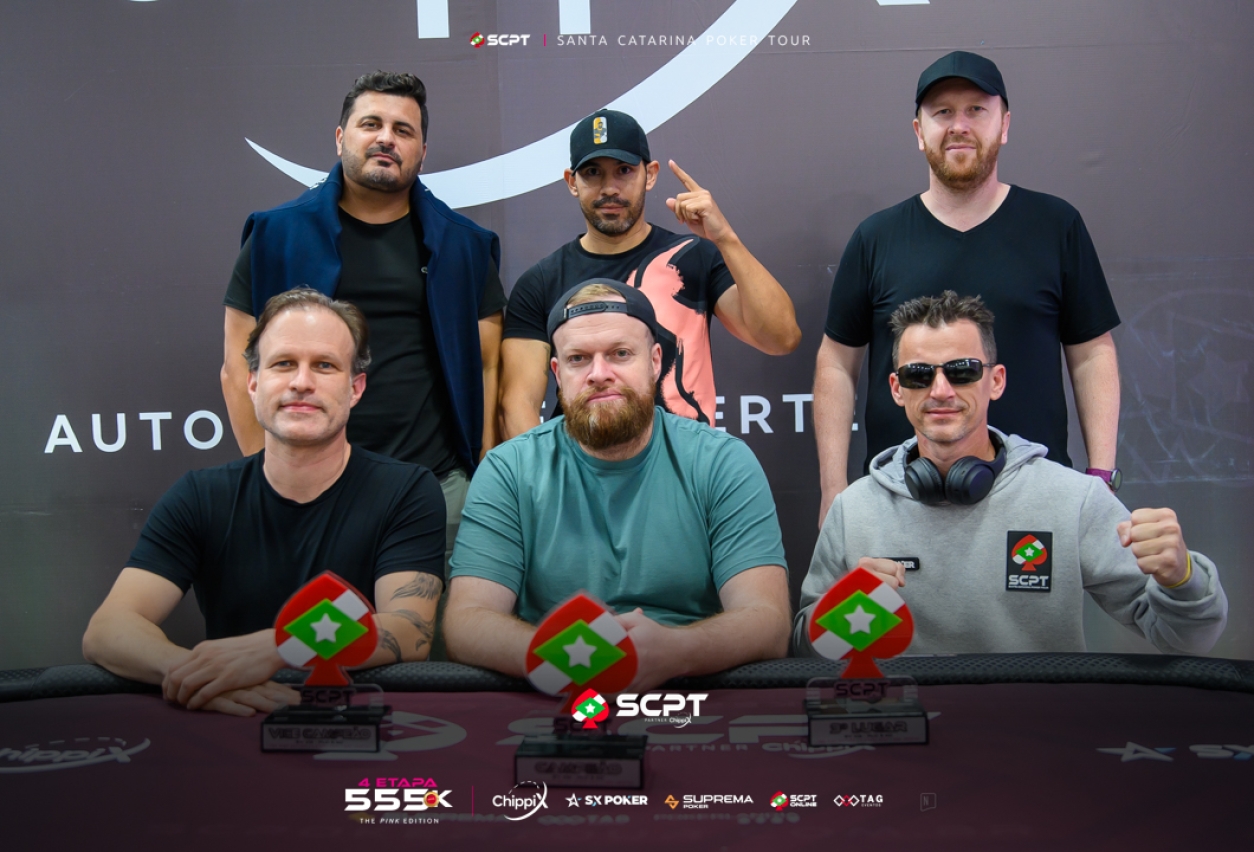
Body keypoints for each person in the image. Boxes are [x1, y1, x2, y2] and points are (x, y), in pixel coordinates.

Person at [796, 292, 1226, 656]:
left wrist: (1182, 578)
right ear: (896, 389)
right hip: (902, 724)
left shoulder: (1071, 500)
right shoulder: (854, 510)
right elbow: (805, 653)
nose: (940, 391)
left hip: (1037, 725)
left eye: (962, 371)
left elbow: (1187, 640)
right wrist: (847, 616)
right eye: (919, 375)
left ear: (996, 381)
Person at [85, 290, 447, 715]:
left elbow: (410, 629)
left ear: (355, 388)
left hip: (363, 721)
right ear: (253, 384)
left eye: (325, 365)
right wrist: (198, 673)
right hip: (233, 720)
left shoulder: (406, 490)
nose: (302, 382)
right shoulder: (200, 496)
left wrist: (280, 647)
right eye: (283, 363)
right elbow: (108, 628)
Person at [814, 50, 1122, 528]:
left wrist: (1100, 476)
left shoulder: (1055, 225)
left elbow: (1092, 354)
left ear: (1005, 125)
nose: (959, 125)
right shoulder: (876, 238)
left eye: (976, 110)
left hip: (1036, 504)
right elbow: (836, 362)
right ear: (919, 132)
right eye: (942, 112)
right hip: (901, 501)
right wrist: (834, 490)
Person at [447, 281, 791, 691]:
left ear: (655, 361)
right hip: (552, 688)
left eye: (620, 354)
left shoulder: (721, 461)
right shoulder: (509, 468)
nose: (599, 374)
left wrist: (677, 650)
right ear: (558, 374)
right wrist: (574, 657)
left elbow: (768, 622)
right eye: (578, 359)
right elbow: (466, 622)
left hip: (690, 686)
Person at [220, 71, 503, 561]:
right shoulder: (274, 236)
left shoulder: (465, 245)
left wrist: (481, 477)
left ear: (422, 151)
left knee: (432, 616)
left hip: (437, 491)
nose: (386, 138)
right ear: (340, 137)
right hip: (309, 491)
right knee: (316, 616)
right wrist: (271, 478)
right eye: (371, 124)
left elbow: (487, 367)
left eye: (403, 129)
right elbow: (237, 369)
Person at [499, 108, 800, 438]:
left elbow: (781, 338)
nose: (609, 188)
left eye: (624, 170)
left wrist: (725, 238)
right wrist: (550, 471)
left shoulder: (694, 257)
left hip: (687, 462)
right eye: (593, 172)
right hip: (583, 465)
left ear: (651, 175)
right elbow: (517, 404)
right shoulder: (541, 282)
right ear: (572, 182)